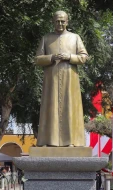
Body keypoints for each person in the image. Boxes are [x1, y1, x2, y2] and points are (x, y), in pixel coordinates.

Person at [35, 11, 88, 147]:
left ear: (67, 22)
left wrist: (69, 57)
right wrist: (51, 57)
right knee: (50, 108)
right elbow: (38, 59)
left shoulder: (75, 38)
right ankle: (49, 141)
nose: (60, 23)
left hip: (70, 80)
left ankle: (71, 141)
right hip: (51, 80)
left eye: (62, 21)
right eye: (57, 21)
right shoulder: (46, 38)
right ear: (53, 22)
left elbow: (83, 57)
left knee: (70, 107)